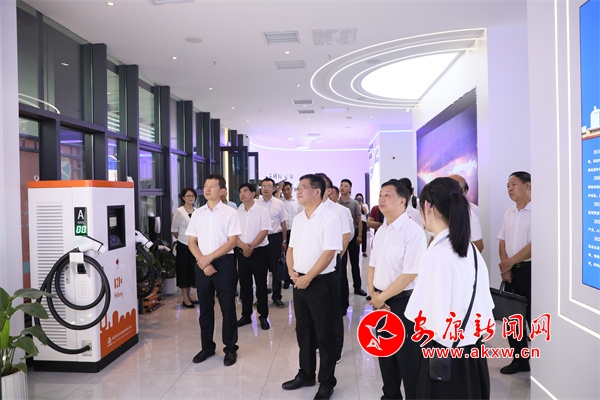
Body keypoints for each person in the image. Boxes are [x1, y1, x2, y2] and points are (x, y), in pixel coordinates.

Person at [405, 177, 495, 399]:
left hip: (444, 359)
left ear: (428, 206)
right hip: (473, 356)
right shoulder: (471, 251)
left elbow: (420, 316)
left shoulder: (436, 255)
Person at [282, 174, 341, 400]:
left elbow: (329, 253)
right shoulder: (299, 219)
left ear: (317, 191)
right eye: (298, 187)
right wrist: (291, 272)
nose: (298, 191)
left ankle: (326, 381)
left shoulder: (330, 217)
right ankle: (306, 374)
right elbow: (291, 249)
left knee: (324, 332)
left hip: (321, 282)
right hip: (299, 280)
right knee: (303, 330)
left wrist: (309, 277)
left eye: (303, 187)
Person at [367, 179, 427, 400]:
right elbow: (372, 265)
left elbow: (409, 274)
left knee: (408, 359)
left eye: (388, 195)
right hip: (381, 301)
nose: (381, 199)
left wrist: (381, 297)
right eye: (380, 195)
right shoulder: (382, 230)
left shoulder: (413, 232)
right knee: (386, 355)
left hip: (403, 303)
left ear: (403, 200)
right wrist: (373, 294)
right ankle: (390, 396)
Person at [186, 174, 242, 367]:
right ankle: (207, 347)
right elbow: (191, 242)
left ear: (222, 191)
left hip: (224, 263)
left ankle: (230, 348)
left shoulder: (230, 212)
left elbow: (232, 242)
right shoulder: (198, 214)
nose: (207, 189)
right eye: (205, 186)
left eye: (212, 186)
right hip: (202, 263)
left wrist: (208, 259)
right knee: (205, 309)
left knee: (228, 308)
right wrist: (203, 261)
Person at [497, 171, 532, 374]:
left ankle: (544, 364)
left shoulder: (537, 211)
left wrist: (509, 263)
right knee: (513, 319)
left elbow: (534, 245)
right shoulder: (509, 212)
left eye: (514, 184)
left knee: (533, 318)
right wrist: (506, 267)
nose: (510, 189)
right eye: (508, 185)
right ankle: (520, 361)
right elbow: (502, 241)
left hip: (530, 271)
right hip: (511, 272)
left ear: (528, 185)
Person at [235, 183, 272, 331]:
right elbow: (234, 232)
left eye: (245, 191)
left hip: (259, 252)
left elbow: (264, 231)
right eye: (240, 192)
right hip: (242, 252)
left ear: (253, 194)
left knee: (261, 285)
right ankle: (246, 315)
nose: (242, 194)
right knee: (245, 286)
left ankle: (263, 316)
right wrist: (244, 247)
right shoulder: (238, 211)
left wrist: (251, 247)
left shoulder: (262, 210)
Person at [257, 177, 288, 307]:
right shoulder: (256, 203)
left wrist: (284, 240)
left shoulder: (279, 203)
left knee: (276, 269)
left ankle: (276, 296)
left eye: (269, 186)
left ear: (274, 188)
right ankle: (261, 297)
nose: (265, 189)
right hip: (260, 239)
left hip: (274, 238)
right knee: (260, 270)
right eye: (263, 186)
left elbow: (283, 222)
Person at [171, 187, 199, 308]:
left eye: (192, 196)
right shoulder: (179, 211)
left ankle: (189, 296)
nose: (191, 198)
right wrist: (183, 239)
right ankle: (185, 298)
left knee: (192, 271)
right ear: (183, 198)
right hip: (183, 246)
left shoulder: (197, 211)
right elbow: (174, 230)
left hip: (195, 246)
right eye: (188, 196)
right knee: (183, 272)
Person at [338, 179, 367, 296]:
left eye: (345, 186)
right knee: (342, 263)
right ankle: (342, 289)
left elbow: (359, 220)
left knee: (355, 263)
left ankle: (357, 287)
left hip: (353, 235)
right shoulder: (337, 203)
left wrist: (359, 235)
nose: (342, 187)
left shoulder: (354, 203)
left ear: (350, 189)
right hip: (341, 236)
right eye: (341, 185)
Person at [449, 174, 484, 252]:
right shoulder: (440, 209)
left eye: (457, 188)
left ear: (466, 191)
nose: (453, 192)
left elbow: (478, 245)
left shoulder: (471, 212)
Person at [281, 181, 303, 289]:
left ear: (291, 189)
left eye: (288, 189)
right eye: (284, 190)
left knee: (295, 255)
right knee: (286, 256)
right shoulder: (280, 202)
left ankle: (295, 277)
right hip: (284, 232)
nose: (286, 192)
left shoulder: (297, 203)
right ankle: (286, 279)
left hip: (296, 232)